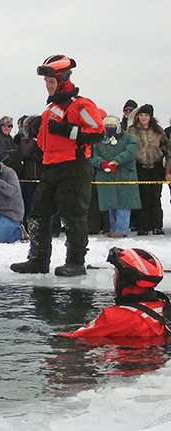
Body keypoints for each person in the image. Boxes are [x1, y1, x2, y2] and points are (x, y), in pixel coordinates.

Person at [11, 55, 104, 277]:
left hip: (74, 167)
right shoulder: (51, 109)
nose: (48, 86)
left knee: (73, 215)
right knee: (38, 213)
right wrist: (34, 130)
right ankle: (38, 260)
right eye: (46, 82)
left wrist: (67, 130)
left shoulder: (81, 105)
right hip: (51, 167)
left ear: (63, 79)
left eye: (51, 82)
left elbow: (98, 133)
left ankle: (76, 262)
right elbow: (44, 142)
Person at [62, 248, 171, 340]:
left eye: (116, 273)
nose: (114, 277)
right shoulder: (166, 308)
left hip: (128, 362)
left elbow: (76, 337)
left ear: (124, 279)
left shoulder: (114, 318)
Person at [92, 115, 140, 238]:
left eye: (111, 125)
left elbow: (131, 152)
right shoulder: (99, 139)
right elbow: (92, 154)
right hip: (106, 176)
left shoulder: (128, 138)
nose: (109, 128)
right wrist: (101, 163)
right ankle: (113, 228)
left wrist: (116, 161)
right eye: (107, 126)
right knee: (110, 204)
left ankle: (122, 229)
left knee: (123, 204)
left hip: (125, 175)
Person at [127, 104, 170, 236]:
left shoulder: (158, 131)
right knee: (142, 197)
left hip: (156, 167)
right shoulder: (131, 131)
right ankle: (143, 226)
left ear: (150, 117)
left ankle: (156, 225)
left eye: (146, 115)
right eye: (141, 115)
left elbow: (167, 150)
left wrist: (166, 168)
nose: (143, 118)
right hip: (139, 167)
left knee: (155, 197)